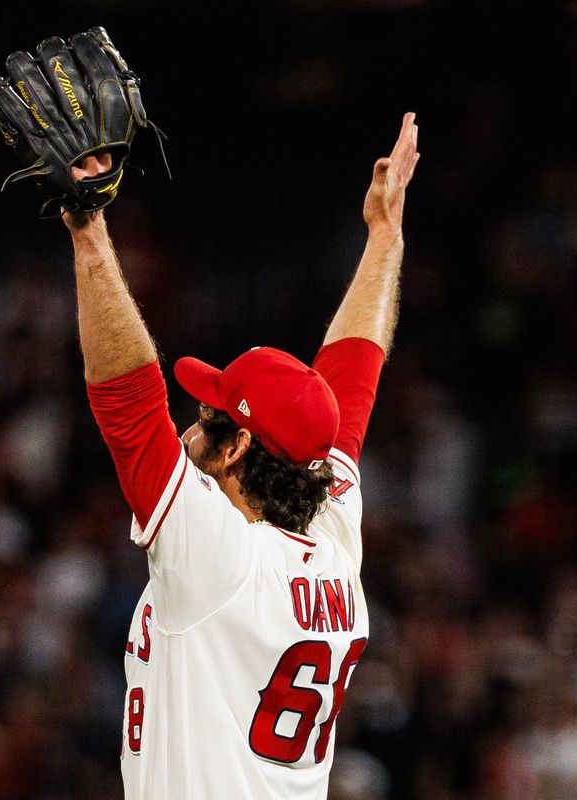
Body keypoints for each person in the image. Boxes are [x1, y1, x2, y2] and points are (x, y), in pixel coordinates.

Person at [68, 113, 419, 799]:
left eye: (207, 422)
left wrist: (87, 229)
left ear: (239, 450)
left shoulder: (219, 556)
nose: (190, 436)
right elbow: (352, 375)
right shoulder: (330, 531)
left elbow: (129, 407)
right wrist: (384, 238)